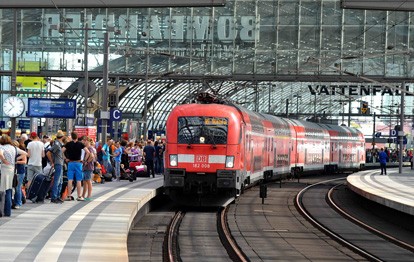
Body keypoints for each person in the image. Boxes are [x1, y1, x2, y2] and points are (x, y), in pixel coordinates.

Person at [0, 135, 27, 217]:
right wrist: (15, 160)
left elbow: (0, 154)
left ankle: (1, 210)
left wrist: (4, 160)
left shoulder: (2, 147)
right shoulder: (14, 148)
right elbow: (25, 153)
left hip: (3, 170)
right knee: (9, 190)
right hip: (12, 170)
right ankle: (8, 212)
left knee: (1, 191)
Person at [62, 132, 91, 201]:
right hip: (78, 163)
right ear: (77, 137)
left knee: (70, 179)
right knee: (78, 180)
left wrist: (65, 158)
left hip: (70, 163)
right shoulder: (80, 144)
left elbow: (61, 151)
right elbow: (88, 152)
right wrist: (84, 160)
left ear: (71, 137)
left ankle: (69, 196)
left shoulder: (68, 144)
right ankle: (79, 196)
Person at [47, 131, 65, 204]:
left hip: (60, 163)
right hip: (58, 163)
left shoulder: (59, 144)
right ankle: (54, 197)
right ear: (62, 137)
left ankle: (57, 196)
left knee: (60, 181)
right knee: (57, 181)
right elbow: (48, 152)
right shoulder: (57, 144)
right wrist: (52, 162)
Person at [13, 139, 28, 209]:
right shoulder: (13, 152)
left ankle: (18, 202)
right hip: (15, 171)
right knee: (16, 187)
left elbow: (25, 161)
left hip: (20, 171)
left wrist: (16, 161)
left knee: (17, 187)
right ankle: (21, 200)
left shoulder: (21, 152)